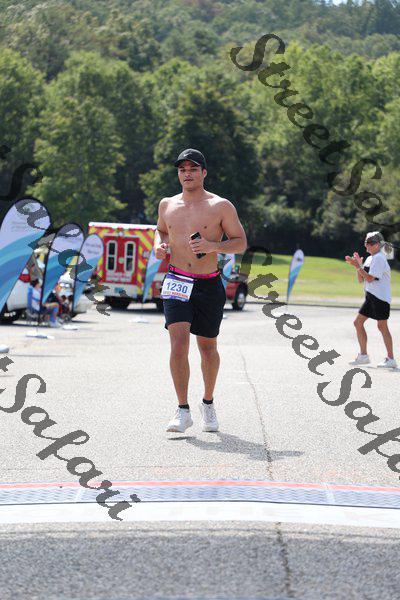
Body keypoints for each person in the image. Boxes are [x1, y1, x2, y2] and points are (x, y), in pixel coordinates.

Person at [154, 148, 247, 433]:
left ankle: (207, 403)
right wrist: (160, 245)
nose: (187, 174)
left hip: (208, 283)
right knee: (178, 344)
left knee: (207, 348)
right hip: (176, 280)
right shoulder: (167, 204)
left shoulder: (221, 206)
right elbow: (162, 230)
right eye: (182, 169)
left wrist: (212, 246)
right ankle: (182, 410)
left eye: (193, 169)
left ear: (204, 173)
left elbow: (240, 242)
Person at [345, 231, 397, 368]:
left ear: (378, 244)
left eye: (370, 243)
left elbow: (369, 278)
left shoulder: (379, 258)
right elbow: (361, 279)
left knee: (382, 326)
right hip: (371, 297)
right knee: (358, 323)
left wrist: (357, 266)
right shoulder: (370, 259)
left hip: (380, 298)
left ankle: (391, 359)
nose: (367, 245)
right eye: (366, 242)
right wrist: (359, 265)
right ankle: (363, 356)